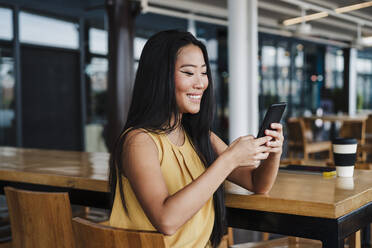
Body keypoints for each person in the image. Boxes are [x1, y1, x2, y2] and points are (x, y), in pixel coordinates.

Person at [108, 30, 283, 248]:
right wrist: (229, 159)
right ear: (160, 77)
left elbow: (258, 184)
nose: (200, 83)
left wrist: (274, 150)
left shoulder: (201, 137)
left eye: (204, 73)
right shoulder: (139, 141)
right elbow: (166, 220)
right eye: (189, 73)